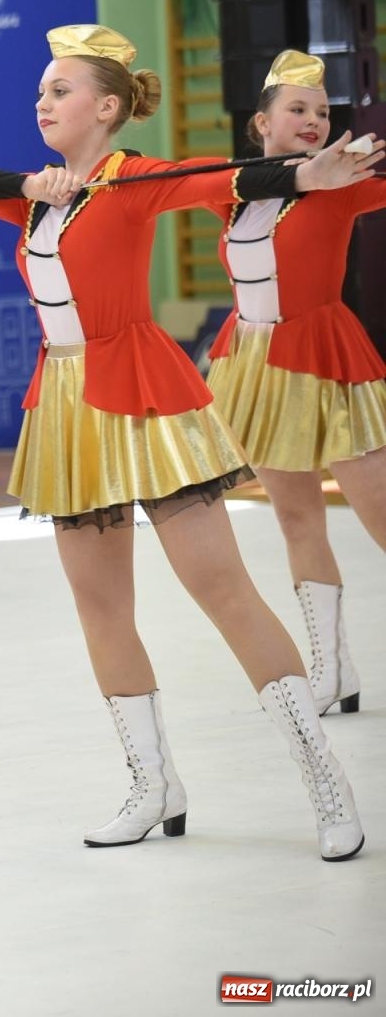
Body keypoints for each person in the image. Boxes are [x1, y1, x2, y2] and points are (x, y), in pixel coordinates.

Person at [0, 24, 382, 861]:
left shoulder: (137, 181)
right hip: (63, 404)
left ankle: (323, 779)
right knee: (100, 605)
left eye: (59, 91)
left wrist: (303, 175)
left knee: (223, 590)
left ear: (105, 107)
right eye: (39, 93)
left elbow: (223, 176)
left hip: (139, 385)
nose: (42, 102)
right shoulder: (31, 195)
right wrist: (32, 183)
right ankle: (152, 783)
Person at [201, 50, 386, 719]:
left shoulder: (342, 182)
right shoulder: (234, 188)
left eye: (322, 112)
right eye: (297, 110)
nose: (313, 120)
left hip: (324, 354)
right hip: (255, 362)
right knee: (295, 516)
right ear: (261, 122)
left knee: (381, 514)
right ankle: (332, 666)